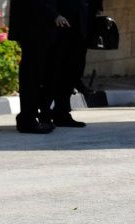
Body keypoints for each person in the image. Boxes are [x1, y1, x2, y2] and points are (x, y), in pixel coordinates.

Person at [8, 0, 57, 134]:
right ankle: (27, 120)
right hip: (33, 28)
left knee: (36, 76)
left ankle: (30, 117)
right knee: (31, 76)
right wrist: (54, 15)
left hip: (38, 28)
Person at [42, 0, 90, 128]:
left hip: (79, 22)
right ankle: (44, 113)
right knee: (54, 72)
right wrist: (54, 14)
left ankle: (62, 113)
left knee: (72, 71)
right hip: (58, 23)